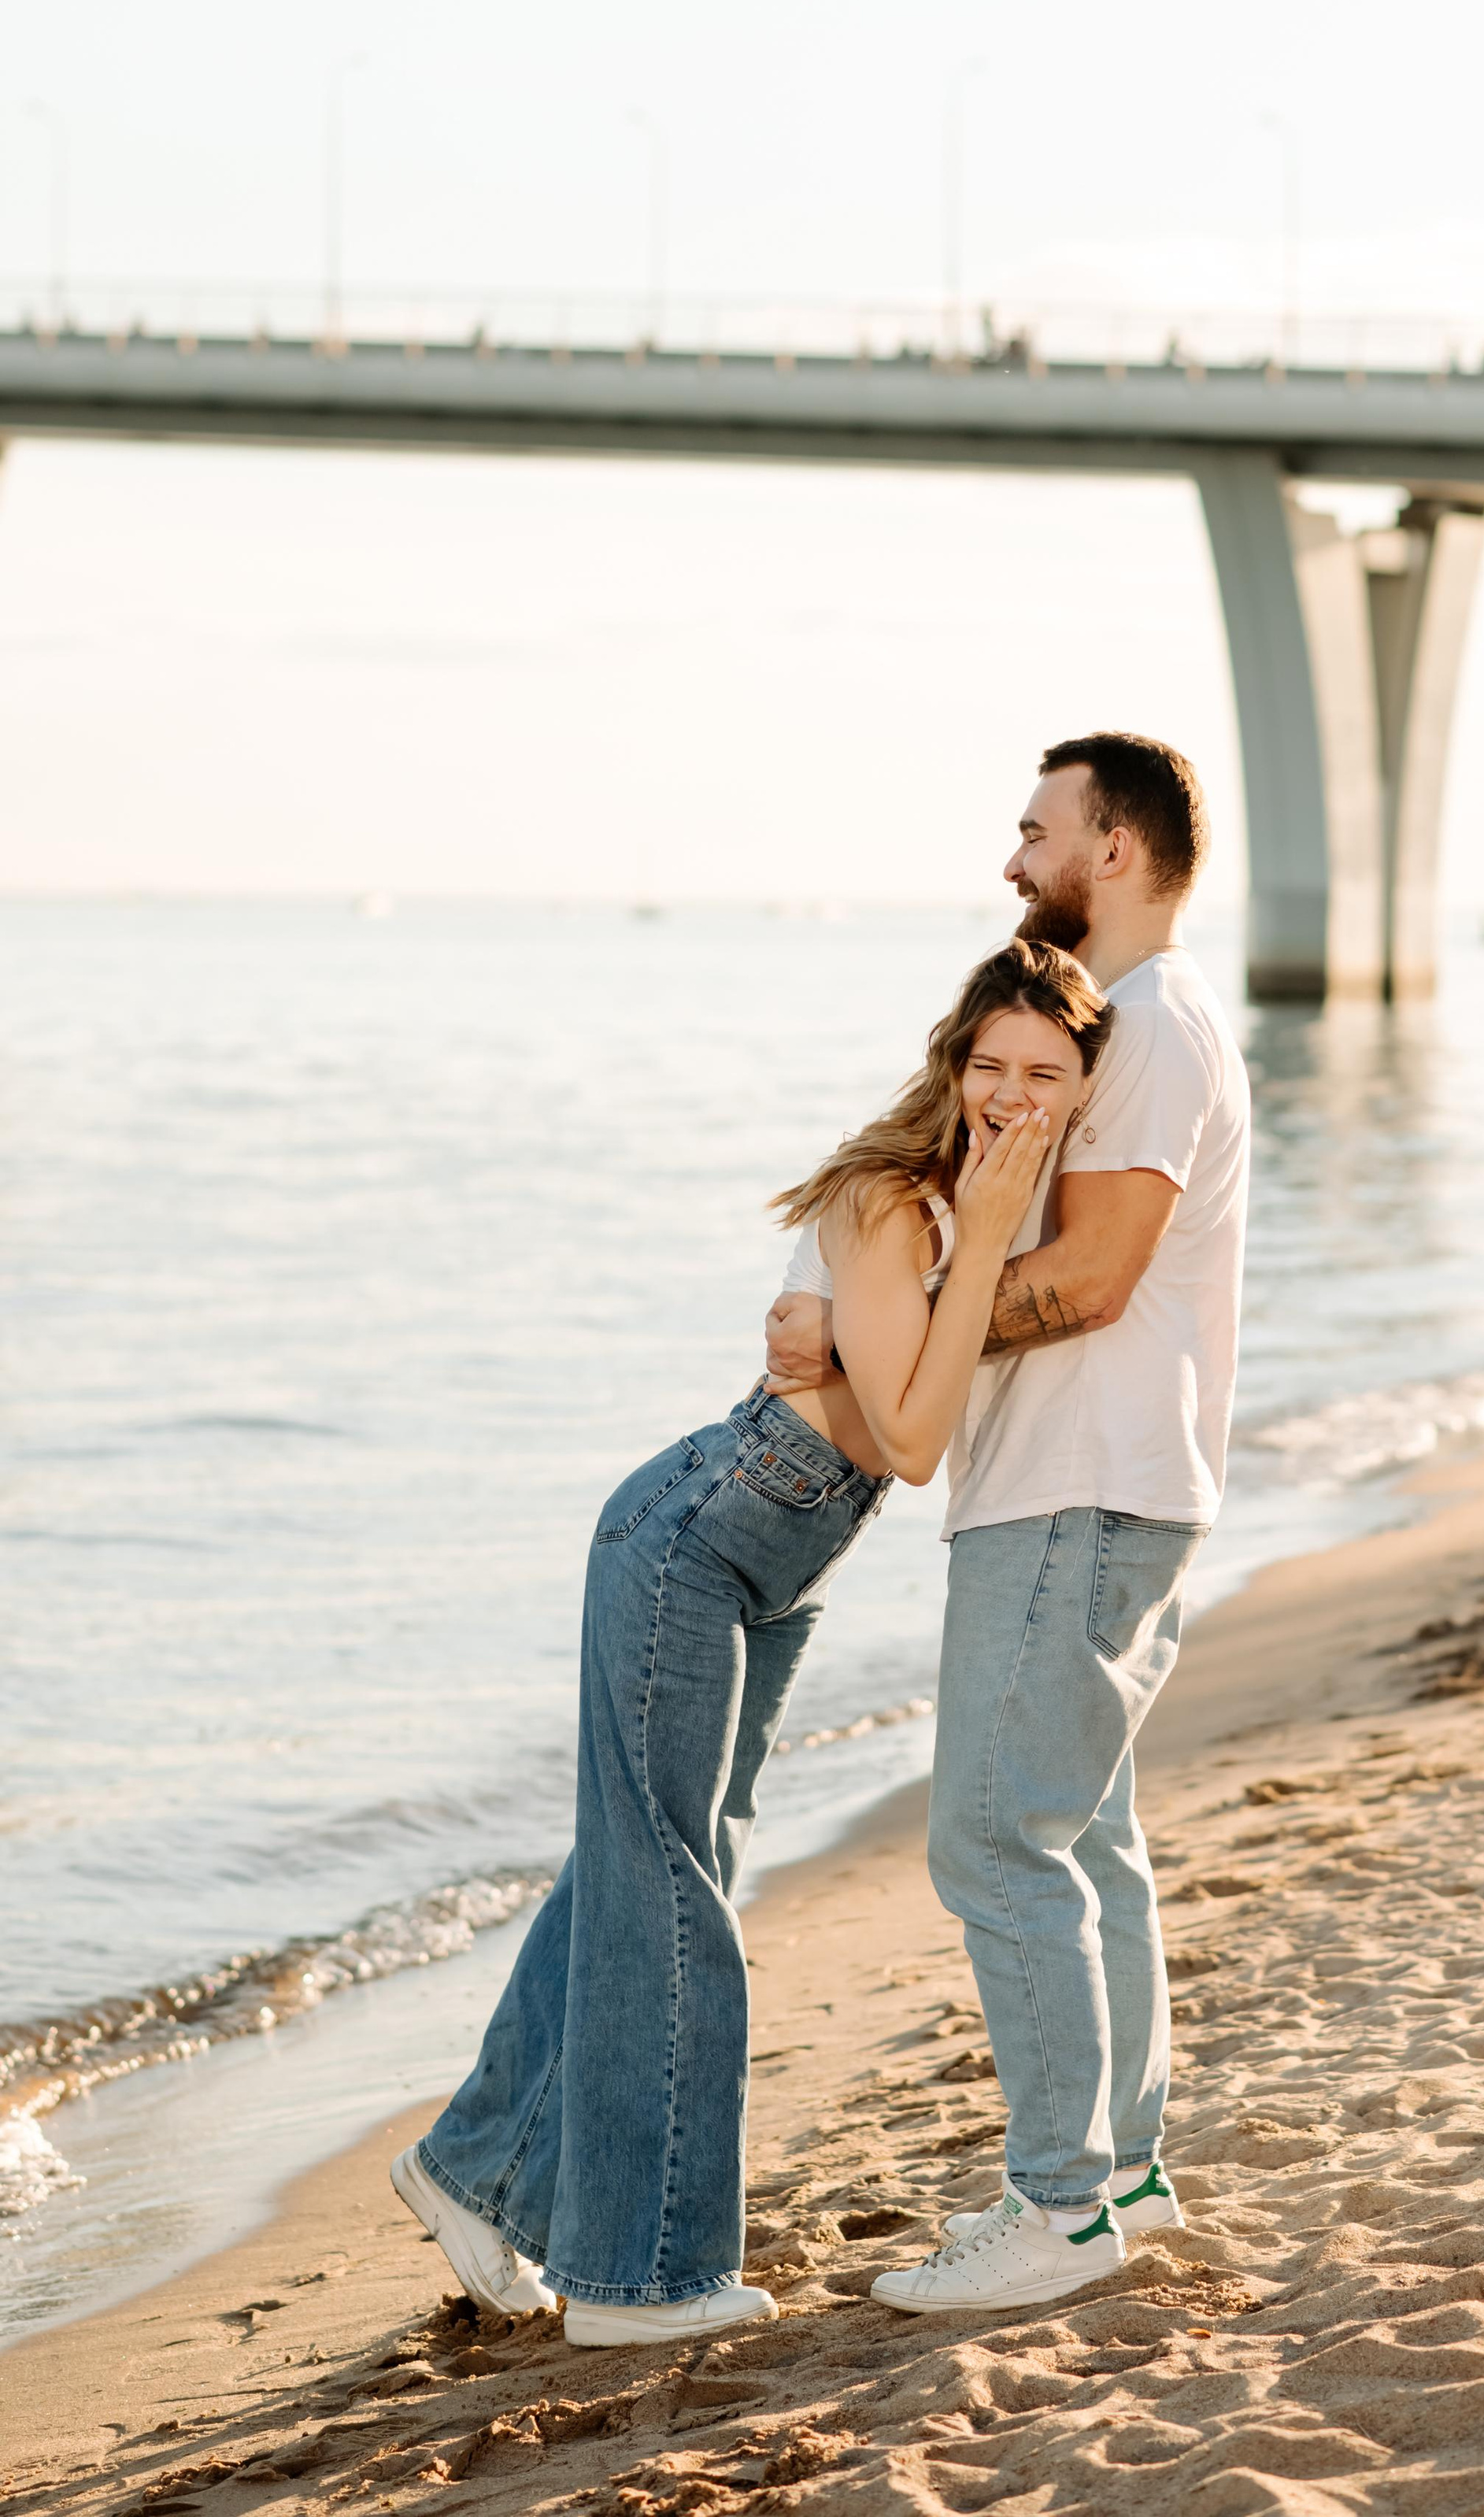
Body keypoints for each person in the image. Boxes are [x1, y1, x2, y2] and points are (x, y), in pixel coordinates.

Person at [391, 939, 1112, 2350]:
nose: (1014, 1098)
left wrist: (909, 1290)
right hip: (704, 1530)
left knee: (648, 1856)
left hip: (780, 1560)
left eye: (1048, 1077)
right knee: (677, 1879)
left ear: (1084, 1089)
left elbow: (919, 1379)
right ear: (951, 1067)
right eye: (992, 1069)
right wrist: (954, 1249)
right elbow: (910, 1444)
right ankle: (635, 2276)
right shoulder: (896, 1199)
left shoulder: (983, 1214)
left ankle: (473, 2169)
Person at [764, 732, 1250, 2315]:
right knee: (1082, 1838)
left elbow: (1092, 1277)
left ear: (1111, 846)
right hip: (1099, 1484)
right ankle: (1122, 2179)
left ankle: (1055, 2208)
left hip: (1076, 1487)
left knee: (992, 1837)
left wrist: (882, 1342)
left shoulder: (1158, 1027)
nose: (1010, 855)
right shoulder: (1118, 1025)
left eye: (1034, 826)